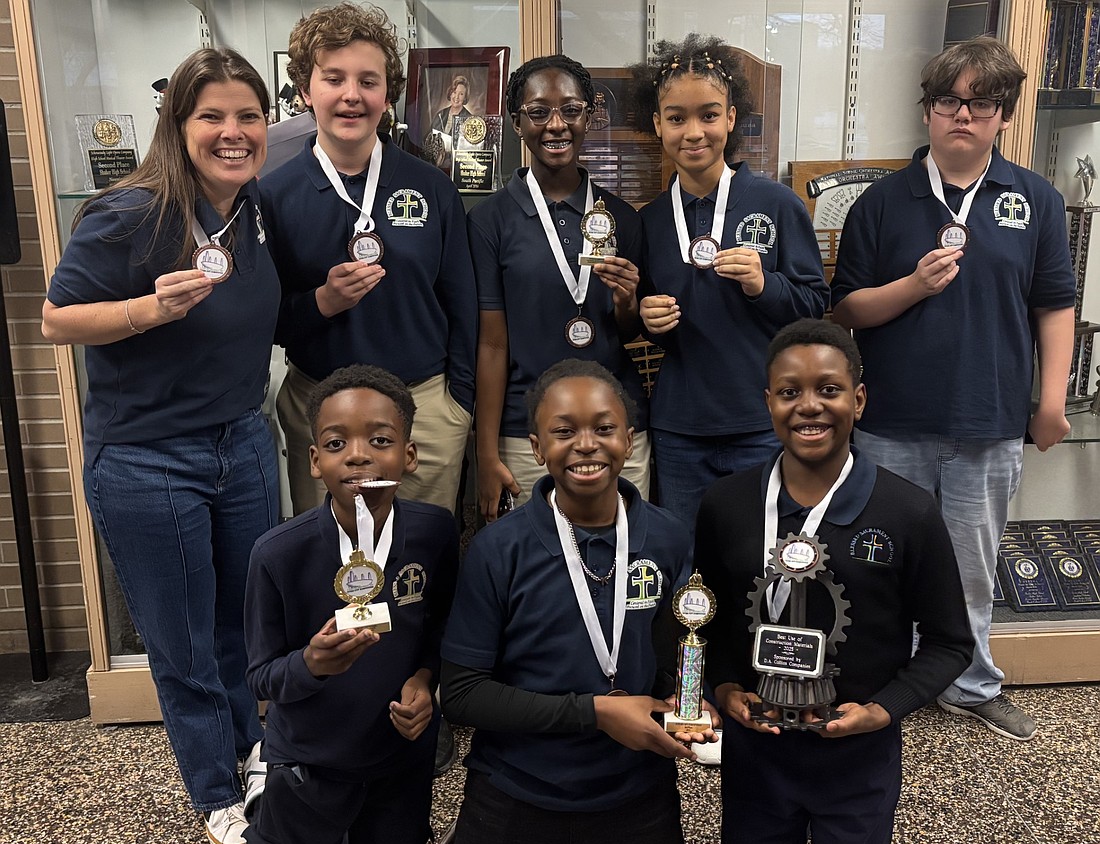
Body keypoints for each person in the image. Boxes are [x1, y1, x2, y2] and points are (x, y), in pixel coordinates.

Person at [41, 48, 278, 844]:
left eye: (248, 115)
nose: (233, 132)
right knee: (180, 643)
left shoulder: (253, 210)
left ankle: (256, 758)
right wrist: (145, 309)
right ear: (177, 125)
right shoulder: (127, 212)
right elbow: (56, 321)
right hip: (148, 460)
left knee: (243, 627)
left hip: (244, 441)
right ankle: (216, 791)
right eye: (211, 116)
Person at [831, 36, 1076, 741]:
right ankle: (879, 676)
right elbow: (845, 311)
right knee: (878, 559)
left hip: (988, 420)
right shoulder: (880, 203)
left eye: (981, 103)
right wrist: (912, 286)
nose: (962, 115)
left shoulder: (1035, 200)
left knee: (971, 565)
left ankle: (970, 684)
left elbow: (1054, 305)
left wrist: (1051, 401)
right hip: (891, 420)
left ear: (1003, 114)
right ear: (928, 111)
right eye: (948, 101)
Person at [695, 319, 973, 844]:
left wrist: (884, 710)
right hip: (758, 749)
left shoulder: (908, 512)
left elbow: (951, 643)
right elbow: (709, 620)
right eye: (789, 392)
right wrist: (720, 685)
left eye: (829, 389)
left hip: (856, 757)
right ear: (767, 402)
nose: (809, 407)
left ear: (859, 399)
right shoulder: (726, 506)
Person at [440, 359, 714, 844]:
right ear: (538, 448)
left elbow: (669, 650)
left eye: (604, 428)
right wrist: (596, 713)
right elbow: (462, 694)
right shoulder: (499, 550)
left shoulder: (665, 537)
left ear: (629, 440)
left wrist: (685, 698)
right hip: (518, 787)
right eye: (564, 431)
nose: (586, 445)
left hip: (631, 791)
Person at [243, 364, 458, 844]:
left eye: (380, 441)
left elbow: (440, 631)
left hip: (397, 760)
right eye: (337, 443)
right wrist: (310, 664)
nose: (358, 455)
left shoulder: (434, 533)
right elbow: (261, 676)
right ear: (315, 461)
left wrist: (425, 681)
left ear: (409, 455)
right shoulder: (277, 554)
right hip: (310, 761)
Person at [261, 2, 476, 517]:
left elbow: (464, 307)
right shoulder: (272, 196)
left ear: (388, 95)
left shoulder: (432, 187)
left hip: (422, 408)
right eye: (333, 78)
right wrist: (322, 303)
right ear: (306, 90)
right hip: (320, 407)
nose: (351, 95)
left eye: (368, 80)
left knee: (419, 565)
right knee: (331, 570)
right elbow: (264, 319)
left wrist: (458, 405)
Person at [629, 34, 829, 526]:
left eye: (709, 115)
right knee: (688, 561)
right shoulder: (648, 221)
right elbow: (637, 317)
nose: (693, 132)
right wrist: (644, 317)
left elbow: (815, 308)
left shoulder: (777, 205)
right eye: (676, 118)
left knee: (760, 558)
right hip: (679, 428)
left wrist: (765, 285)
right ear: (658, 125)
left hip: (760, 420)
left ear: (732, 118)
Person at [470, 54, 650, 522]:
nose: (556, 125)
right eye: (538, 112)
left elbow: (627, 331)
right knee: (534, 570)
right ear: (516, 123)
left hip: (617, 428)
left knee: (624, 560)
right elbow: (491, 343)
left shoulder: (622, 218)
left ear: (590, 115)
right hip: (526, 431)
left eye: (571, 110)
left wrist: (628, 302)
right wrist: (486, 454)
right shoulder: (490, 221)